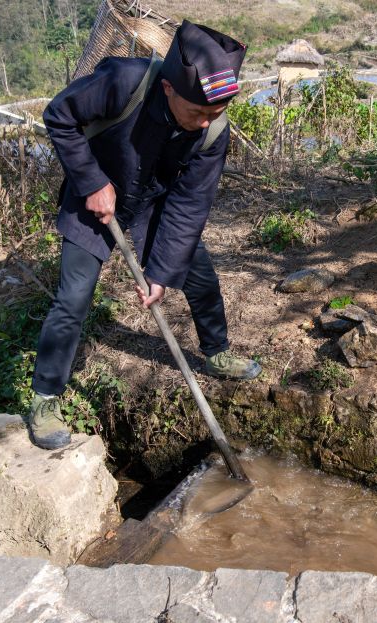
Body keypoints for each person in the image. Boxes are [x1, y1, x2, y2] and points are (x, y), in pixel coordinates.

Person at [28, 21, 260, 450]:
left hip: (154, 201)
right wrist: (92, 181)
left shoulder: (213, 130)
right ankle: (45, 398)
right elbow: (60, 116)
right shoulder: (123, 81)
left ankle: (217, 352)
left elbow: (190, 204)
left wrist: (162, 274)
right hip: (92, 197)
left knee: (199, 275)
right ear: (169, 89)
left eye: (215, 113)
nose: (204, 123)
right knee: (74, 297)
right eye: (198, 112)